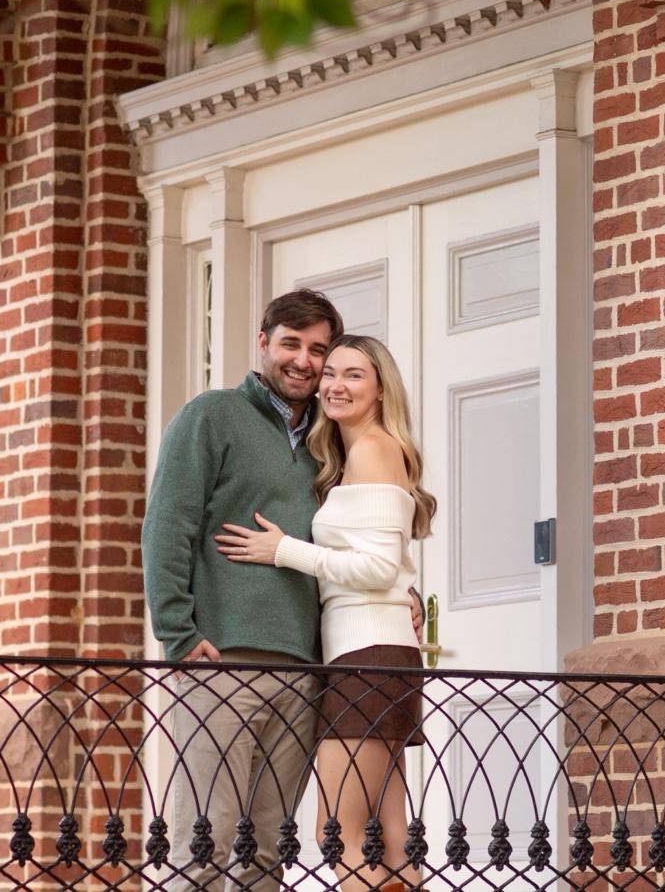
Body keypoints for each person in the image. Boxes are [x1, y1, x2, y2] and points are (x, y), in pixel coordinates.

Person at [144, 292, 424, 892]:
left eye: (318, 350)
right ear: (263, 342)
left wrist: (401, 596)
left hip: (309, 671)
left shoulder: (331, 445)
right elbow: (168, 523)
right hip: (222, 659)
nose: (303, 361)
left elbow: (370, 539)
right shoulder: (212, 416)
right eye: (290, 344)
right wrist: (177, 633)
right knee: (205, 842)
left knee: (267, 852)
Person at [216, 335, 436, 892]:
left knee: (337, 834)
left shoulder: (373, 450)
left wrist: (283, 550)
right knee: (388, 838)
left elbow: (377, 568)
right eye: (330, 373)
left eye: (354, 375)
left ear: (381, 389)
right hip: (378, 657)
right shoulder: (356, 455)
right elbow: (386, 565)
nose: (336, 385)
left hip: (368, 661)